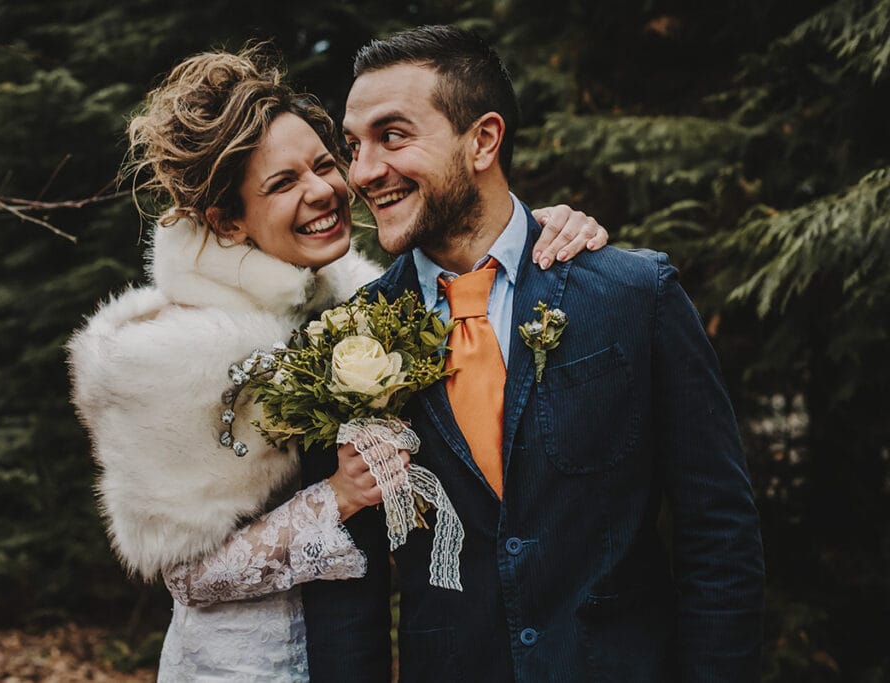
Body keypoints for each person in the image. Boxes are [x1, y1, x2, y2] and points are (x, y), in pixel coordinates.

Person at [65, 45, 607, 681]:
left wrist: (545, 231)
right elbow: (191, 578)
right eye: (282, 183)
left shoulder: (361, 299)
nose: (324, 190)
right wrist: (337, 499)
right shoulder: (171, 357)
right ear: (229, 223)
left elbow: (479, 253)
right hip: (243, 664)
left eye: (324, 164)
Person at [299, 25, 766, 683]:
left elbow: (719, 535)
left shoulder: (633, 295)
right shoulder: (352, 338)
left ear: (483, 139)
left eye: (392, 136)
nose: (363, 171)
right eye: (354, 145)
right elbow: (349, 583)